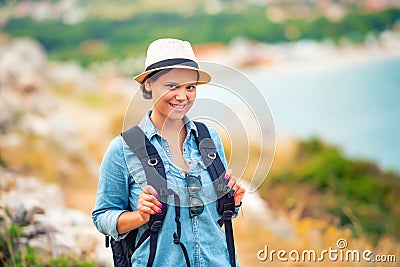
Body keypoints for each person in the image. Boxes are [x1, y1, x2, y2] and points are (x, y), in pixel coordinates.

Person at [92, 38, 246, 267]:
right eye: (172, 86)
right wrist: (139, 216)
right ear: (148, 85)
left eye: (190, 87)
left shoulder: (208, 138)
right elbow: (102, 217)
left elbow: (216, 218)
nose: (182, 96)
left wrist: (232, 201)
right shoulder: (123, 148)